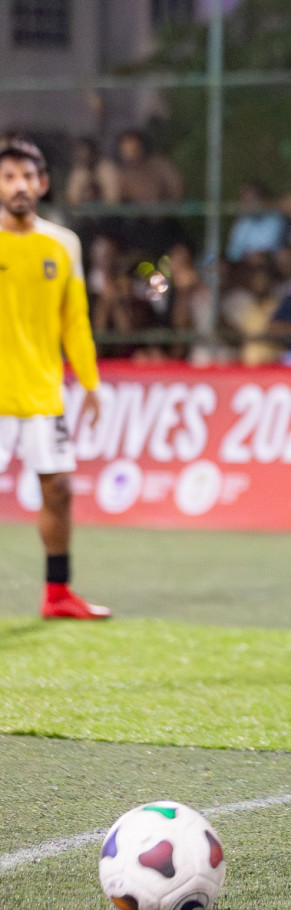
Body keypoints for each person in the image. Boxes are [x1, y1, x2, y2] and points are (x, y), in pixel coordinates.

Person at [0, 137, 111, 619]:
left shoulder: (64, 244)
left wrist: (90, 381)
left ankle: (58, 593)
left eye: (26, 177)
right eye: (7, 177)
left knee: (59, 490)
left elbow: (76, 321)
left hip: (44, 392)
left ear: (43, 184)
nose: (18, 186)